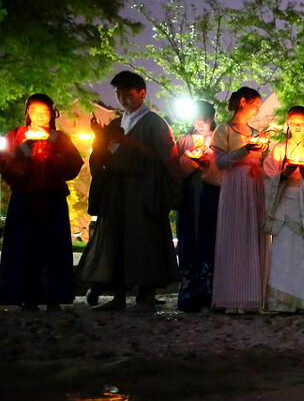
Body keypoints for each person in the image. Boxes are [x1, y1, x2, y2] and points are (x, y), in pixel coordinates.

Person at [75, 71, 178, 312]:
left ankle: (146, 298)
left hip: (142, 192)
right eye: (118, 95)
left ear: (142, 93)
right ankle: (118, 296)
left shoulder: (155, 123)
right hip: (117, 191)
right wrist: (99, 138)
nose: (122, 99)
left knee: (145, 242)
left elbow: (165, 158)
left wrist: (132, 145)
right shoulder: (116, 122)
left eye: (127, 94)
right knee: (117, 241)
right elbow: (101, 155)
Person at [0, 93, 83, 310]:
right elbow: (6, 166)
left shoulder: (59, 137)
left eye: (44, 112)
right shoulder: (15, 136)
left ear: (52, 114)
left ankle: (54, 296)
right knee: (24, 246)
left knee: (52, 246)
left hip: (51, 200)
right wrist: (25, 149)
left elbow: (74, 165)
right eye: (34, 112)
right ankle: (27, 297)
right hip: (24, 200)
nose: (39, 117)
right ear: (27, 113)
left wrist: (55, 147)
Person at [262, 106, 304, 313]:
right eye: (293, 123)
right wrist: (283, 173)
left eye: (301, 123)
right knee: (284, 253)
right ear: (288, 124)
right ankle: (282, 301)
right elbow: (267, 176)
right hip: (285, 207)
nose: (297, 127)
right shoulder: (278, 150)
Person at [211, 86, 268, 312]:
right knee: (234, 236)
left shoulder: (255, 132)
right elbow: (220, 162)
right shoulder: (224, 130)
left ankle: (251, 296)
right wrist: (244, 150)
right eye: (255, 106)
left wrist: (261, 152)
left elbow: (261, 160)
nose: (257, 111)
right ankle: (230, 296)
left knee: (252, 237)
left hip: (254, 184)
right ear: (243, 102)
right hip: (235, 185)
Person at [173, 100, 221, 312]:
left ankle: (210, 292)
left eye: (204, 120)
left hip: (212, 194)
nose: (200, 124)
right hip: (189, 194)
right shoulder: (184, 140)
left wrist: (207, 165)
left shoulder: (219, 139)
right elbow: (175, 167)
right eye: (196, 120)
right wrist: (192, 163)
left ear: (211, 119)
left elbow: (222, 167)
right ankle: (188, 292)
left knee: (211, 238)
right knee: (189, 240)